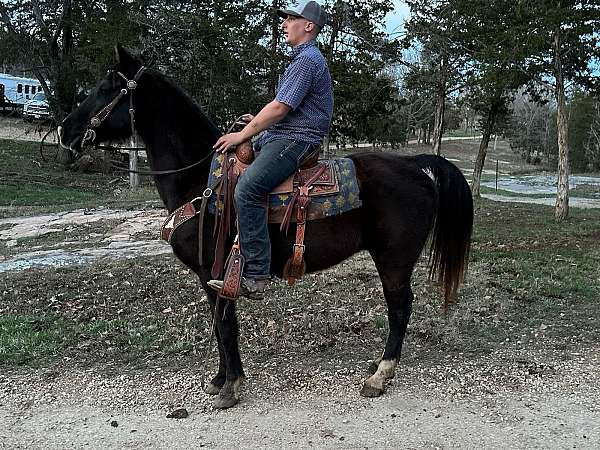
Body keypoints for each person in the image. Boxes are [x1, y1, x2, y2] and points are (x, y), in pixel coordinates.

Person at [208, 1, 333, 299]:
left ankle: (256, 275)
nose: (283, 23)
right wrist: (257, 122)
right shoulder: (301, 59)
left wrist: (242, 134)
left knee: (248, 190)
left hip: (297, 139)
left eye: (290, 18)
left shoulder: (308, 60)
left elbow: (279, 108)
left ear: (308, 26)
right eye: (285, 18)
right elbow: (281, 107)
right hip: (284, 132)